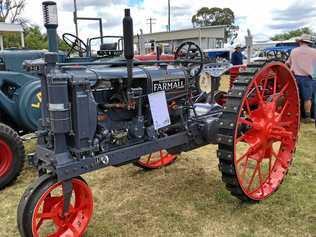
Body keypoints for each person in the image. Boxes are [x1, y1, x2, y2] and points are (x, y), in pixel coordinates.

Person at [286, 34, 316, 124]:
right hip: (308, 78)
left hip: (295, 77)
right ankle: (307, 117)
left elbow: (288, 63)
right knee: (307, 98)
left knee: (294, 96)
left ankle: (294, 114)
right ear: (309, 43)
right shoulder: (314, 51)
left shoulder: (294, 51)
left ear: (300, 41)